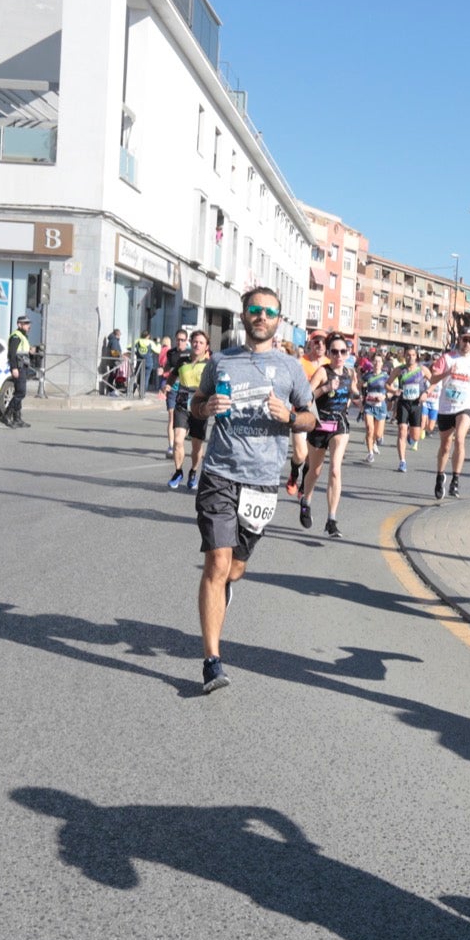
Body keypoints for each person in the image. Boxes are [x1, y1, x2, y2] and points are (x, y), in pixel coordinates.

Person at [188, 289, 316, 694]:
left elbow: (311, 419)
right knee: (217, 563)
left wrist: (291, 416)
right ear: (244, 315)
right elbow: (196, 403)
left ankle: (223, 589)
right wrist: (205, 408)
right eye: (255, 310)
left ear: (279, 319)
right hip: (219, 474)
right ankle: (212, 662)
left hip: (262, 482)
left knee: (235, 569)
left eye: (269, 311)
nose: (261, 316)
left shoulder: (290, 367)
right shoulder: (221, 361)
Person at [298, 331, 357, 537]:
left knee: (335, 470)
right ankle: (306, 500)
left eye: (343, 351)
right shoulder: (323, 372)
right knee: (315, 471)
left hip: (340, 425)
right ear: (329, 353)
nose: (339, 355)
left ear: (348, 353)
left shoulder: (350, 373)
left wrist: (359, 398)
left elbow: (353, 391)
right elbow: (305, 397)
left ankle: (331, 520)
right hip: (319, 424)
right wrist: (325, 389)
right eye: (334, 351)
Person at [431, 328, 470, 499]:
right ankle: (440, 476)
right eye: (465, 339)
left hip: (466, 406)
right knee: (445, 445)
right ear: (459, 339)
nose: (467, 343)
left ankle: (455, 480)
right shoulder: (447, 358)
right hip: (446, 407)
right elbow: (433, 379)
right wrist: (447, 373)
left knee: (460, 439)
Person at [166, 330, 212, 490]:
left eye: (201, 343)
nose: (197, 345)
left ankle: (193, 472)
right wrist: (168, 385)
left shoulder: (210, 365)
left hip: (200, 407)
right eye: (195, 342)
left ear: (206, 346)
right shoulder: (182, 361)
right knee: (178, 440)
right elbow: (172, 376)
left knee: (196, 446)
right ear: (191, 343)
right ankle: (178, 472)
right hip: (182, 404)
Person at [287, 333, 326, 494]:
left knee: (311, 456)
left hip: (320, 414)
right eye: (317, 342)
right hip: (301, 410)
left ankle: (303, 484)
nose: (320, 345)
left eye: (324, 342)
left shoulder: (329, 364)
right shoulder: (300, 362)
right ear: (311, 343)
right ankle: (293, 474)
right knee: (301, 454)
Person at [393, 351, 431, 472]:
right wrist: (394, 391)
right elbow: (387, 384)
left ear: (416, 357)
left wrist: (426, 393)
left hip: (416, 404)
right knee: (401, 431)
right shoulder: (399, 370)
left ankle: (411, 434)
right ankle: (402, 461)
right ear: (405, 356)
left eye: (413, 355)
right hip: (403, 403)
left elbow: (434, 382)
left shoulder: (422, 369)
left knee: (416, 437)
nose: (410, 357)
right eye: (408, 355)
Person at [4, 315, 34, 429]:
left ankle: (17, 419)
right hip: (18, 368)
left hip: (23, 367)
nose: (28, 326)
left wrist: (30, 352)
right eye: (26, 324)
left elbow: (21, 352)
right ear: (19, 325)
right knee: (21, 392)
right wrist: (14, 368)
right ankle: (6, 415)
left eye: (29, 323)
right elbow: (12, 354)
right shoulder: (16, 336)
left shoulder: (23, 336)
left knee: (18, 392)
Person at [359, 356, 391, 462]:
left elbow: (392, 391)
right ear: (372, 363)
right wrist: (360, 395)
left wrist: (384, 396)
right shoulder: (367, 376)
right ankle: (370, 453)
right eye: (375, 361)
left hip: (381, 407)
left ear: (382, 364)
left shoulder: (386, 376)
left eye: (379, 361)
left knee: (377, 434)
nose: (377, 363)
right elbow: (358, 385)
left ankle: (377, 439)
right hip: (369, 405)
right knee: (369, 429)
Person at [132, 328, 155, 394]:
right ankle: (142, 393)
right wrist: (158, 343)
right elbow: (158, 350)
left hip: (139, 362)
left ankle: (134, 388)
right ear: (148, 336)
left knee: (137, 376)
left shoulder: (137, 341)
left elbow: (129, 347)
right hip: (148, 362)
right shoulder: (150, 342)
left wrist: (137, 352)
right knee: (146, 378)